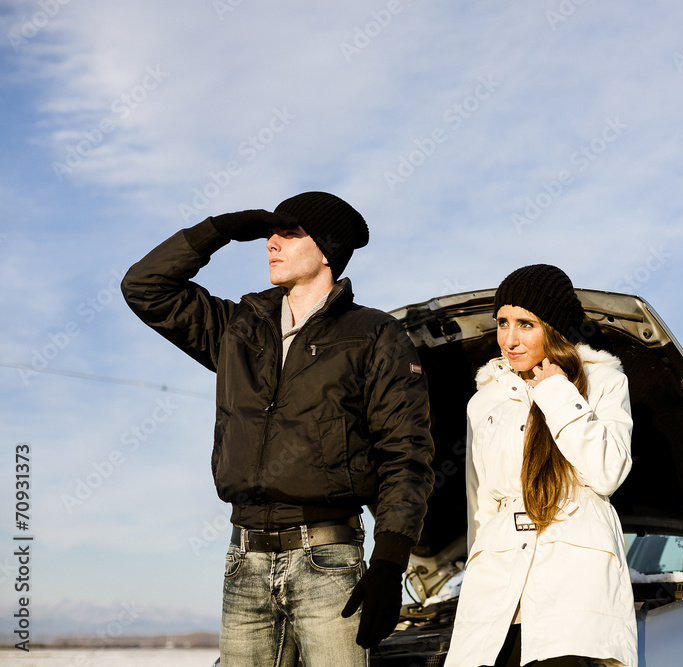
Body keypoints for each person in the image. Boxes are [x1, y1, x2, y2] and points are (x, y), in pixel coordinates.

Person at [120, 192, 435, 666]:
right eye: (270, 231)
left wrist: (390, 560)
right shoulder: (238, 329)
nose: (271, 241)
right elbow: (144, 287)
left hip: (328, 563)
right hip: (243, 559)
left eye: (290, 233)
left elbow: (406, 454)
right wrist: (219, 229)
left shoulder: (374, 335)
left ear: (327, 251)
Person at [445, 264, 637, 667]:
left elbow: (607, 472)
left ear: (553, 327)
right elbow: (479, 504)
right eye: (502, 323)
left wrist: (554, 390)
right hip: (495, 581)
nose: (509, 339)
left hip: (571, 579)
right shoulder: (484, 400)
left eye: (525, 324)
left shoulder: (604, 382)